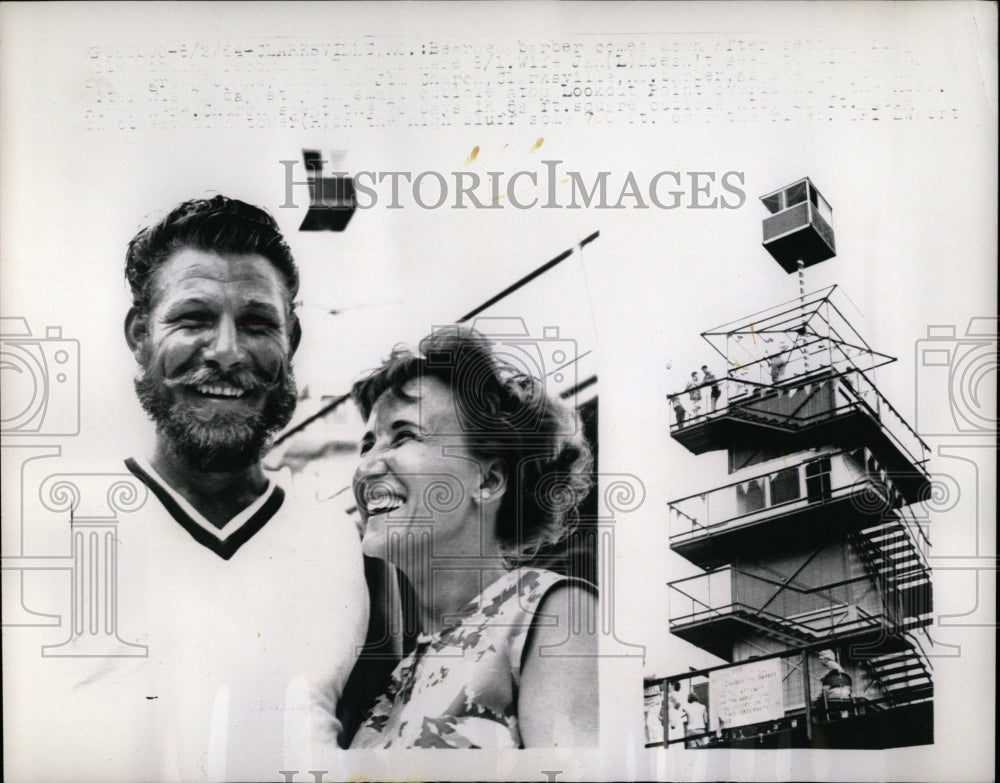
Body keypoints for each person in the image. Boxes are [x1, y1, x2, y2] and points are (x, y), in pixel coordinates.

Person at [23, 195, 369, 781]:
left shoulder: (336, 542)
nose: (229, 351)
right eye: (193, 319)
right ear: (139, 335)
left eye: (258, 323)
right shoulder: (51, 528)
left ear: (292, 341)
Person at [348, 326, 598, 748]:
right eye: (367, 444)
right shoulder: (395, 674)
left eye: (404, 435)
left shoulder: (551, 611)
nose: (368, 466)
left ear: (489, 480)